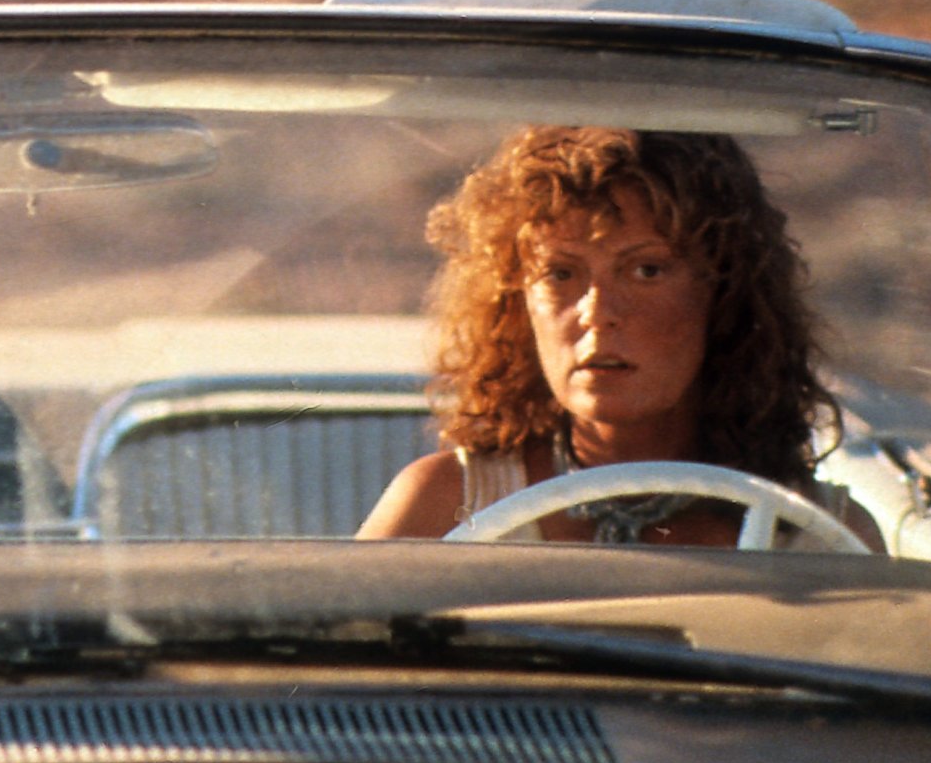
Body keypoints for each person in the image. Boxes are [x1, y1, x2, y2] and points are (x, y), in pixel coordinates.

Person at [357, 125, 880, 548]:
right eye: (560, 274)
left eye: (646, 271)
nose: (597, 313)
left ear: (725, 298)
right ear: (516, 305)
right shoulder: (447, 507)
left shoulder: (820, 535)